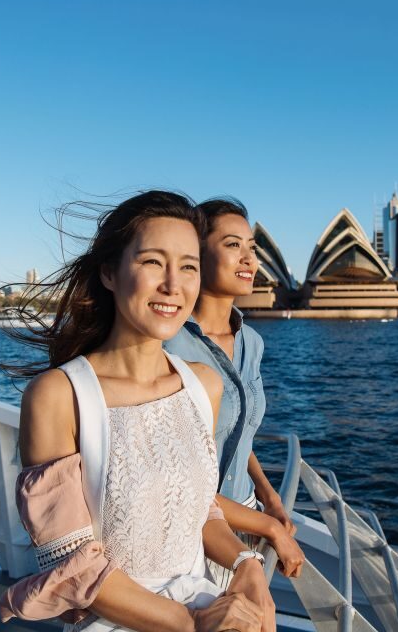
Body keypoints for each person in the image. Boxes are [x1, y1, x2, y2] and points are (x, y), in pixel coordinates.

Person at [0, 191, 274, 632]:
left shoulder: (204, 384)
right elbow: (73, 564)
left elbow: (199, 509)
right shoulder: (58, 396)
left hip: (204, 605)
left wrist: (246, 564)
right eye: (152, 262)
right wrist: (193, 622)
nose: (173, 285)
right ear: (109, 272)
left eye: (188, 266)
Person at [164, 198, 304, 589]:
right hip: (188, 530)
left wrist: (269, 497)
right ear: (196, 254)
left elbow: (236, 434)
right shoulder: (169, 344)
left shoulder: (251, 342)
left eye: (252, 248)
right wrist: (269, 528)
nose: (249, 259)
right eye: (232, 245)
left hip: (245, 515)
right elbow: (173, 477)